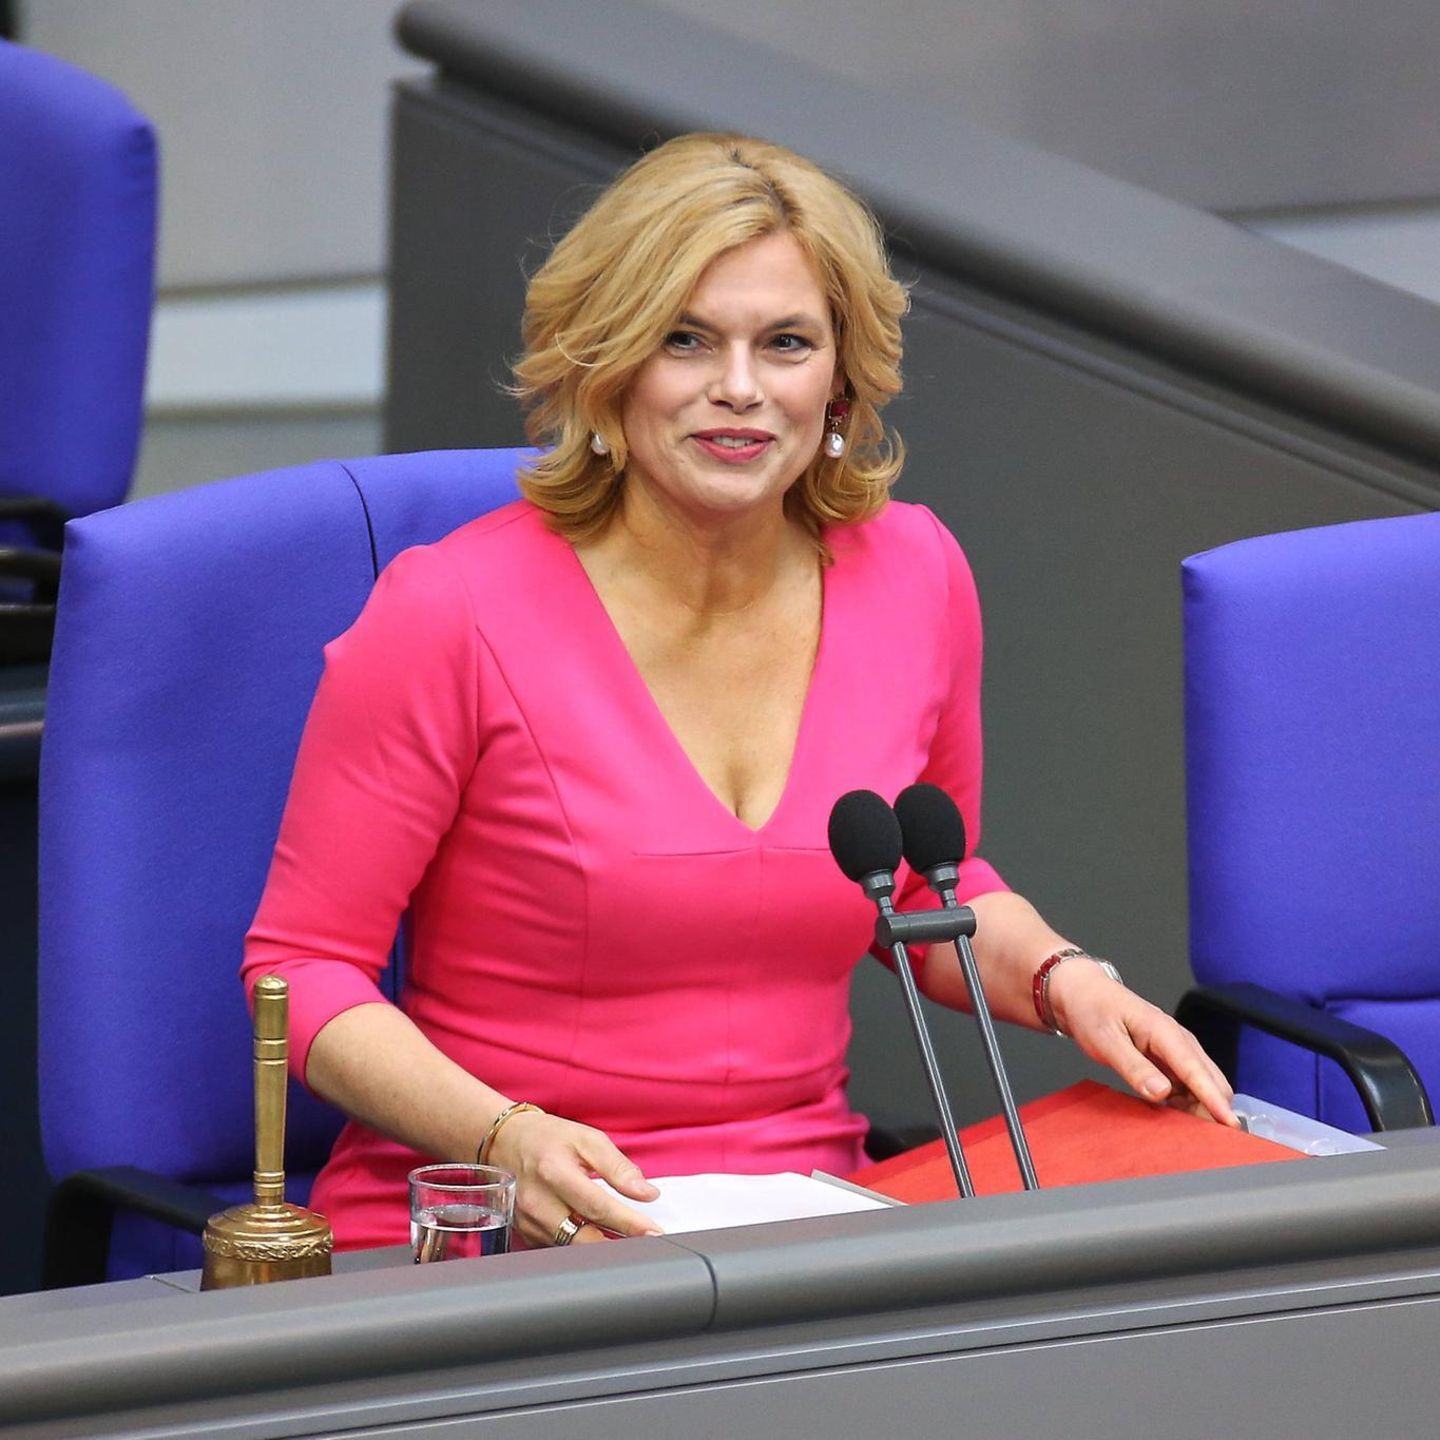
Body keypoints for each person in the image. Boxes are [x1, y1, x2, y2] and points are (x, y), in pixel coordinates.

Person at [242, 132, 1234, 1253]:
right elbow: (300, 972)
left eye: (787, 343)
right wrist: (503, 1136)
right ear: (607, 368)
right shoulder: (448, 611)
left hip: (799, 1230)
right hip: (488, 1227)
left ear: (843, 382)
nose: (741, 390)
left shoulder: (916, 575)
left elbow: (918, 890)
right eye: (686, 340)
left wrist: (1065, 981)